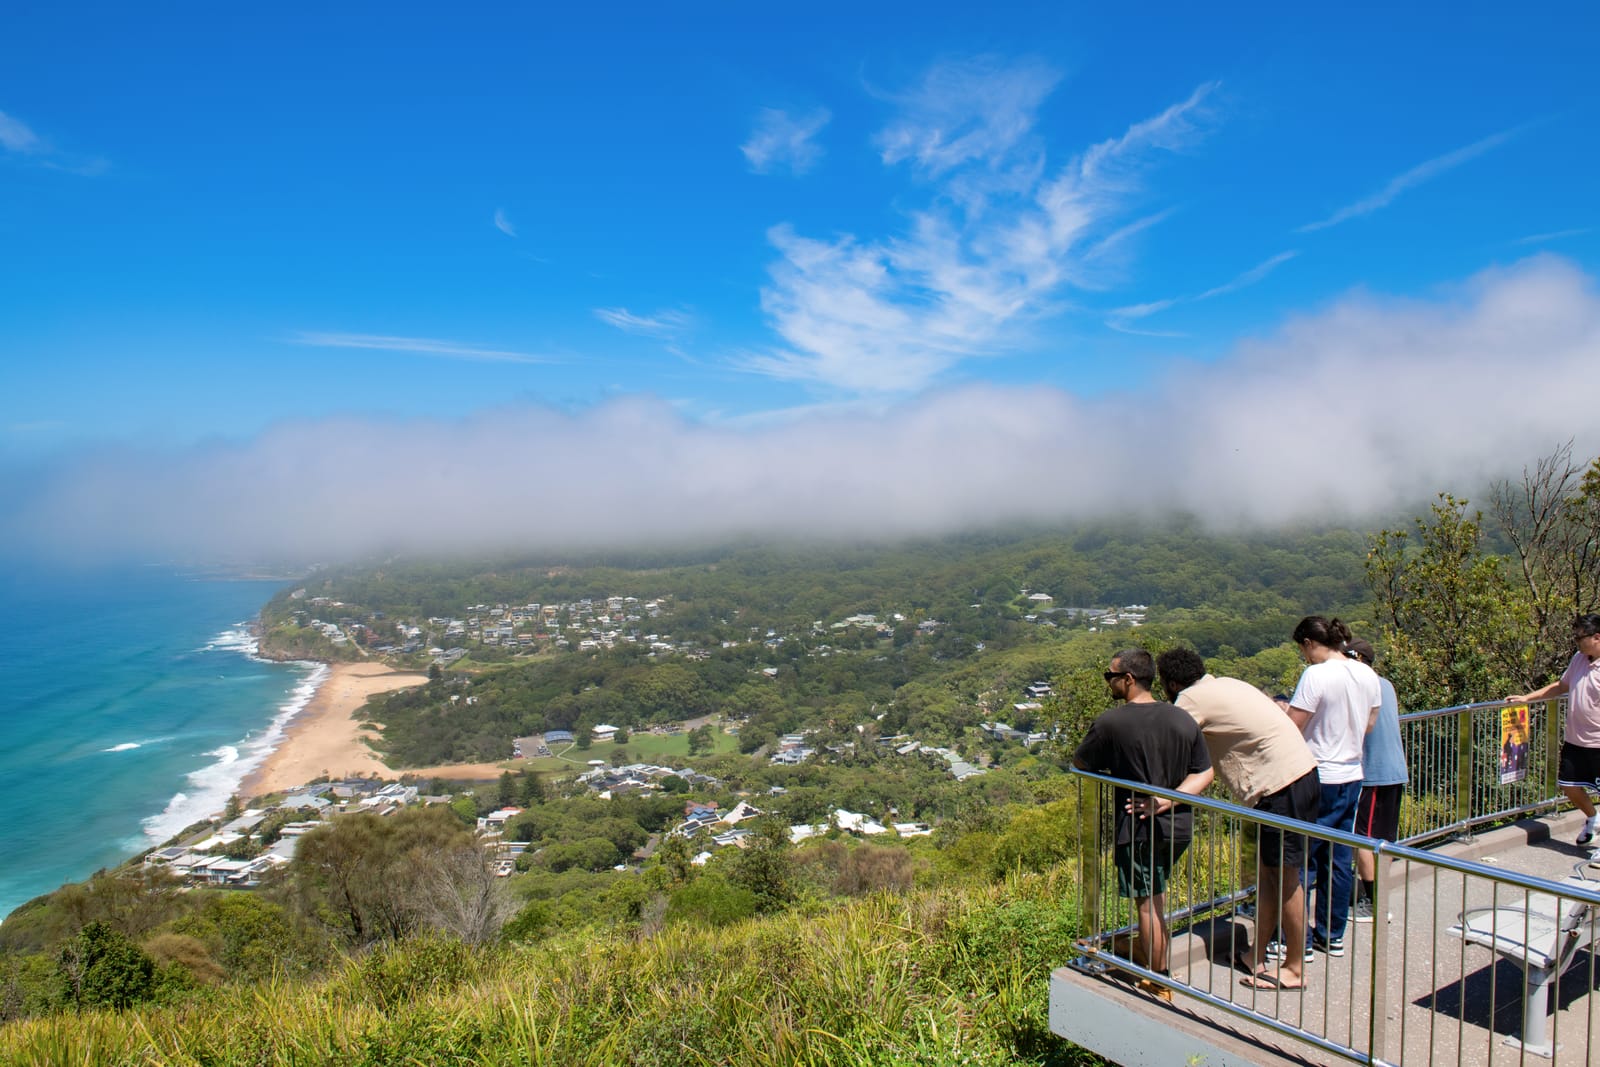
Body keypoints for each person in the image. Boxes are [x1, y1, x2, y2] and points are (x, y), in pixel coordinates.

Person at [1156, 648, 1320, 991]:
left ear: (1171, 683)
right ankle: (1255, 955)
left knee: (1286, 877)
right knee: (1268, 875)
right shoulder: (1226, 683)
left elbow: (1168, 742)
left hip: (1279, 786)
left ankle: (1294, 968)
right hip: (1298, 775)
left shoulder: (1190, 700)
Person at [1074, 649, 1214, 1001]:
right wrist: (1169, 799)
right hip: (1178, 826)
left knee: (1147, 903)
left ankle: (1158, 978)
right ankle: (1147, 955)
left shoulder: (1112, 722)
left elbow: (1081, 762)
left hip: (1138, 828)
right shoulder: (1182, 719)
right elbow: (1205, 772)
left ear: (1129, 679)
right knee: (1156, 896)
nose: (1109, 682)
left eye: (1111, 676)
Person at [1271, 616, 1379, 963]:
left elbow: (1293, 726)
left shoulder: (1315, 675)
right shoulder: (1366, 673)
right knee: (1338, 857)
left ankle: (1296, 941)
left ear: (1307, 643)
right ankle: (1331, 935)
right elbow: (1370, 723)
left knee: (1302, 859)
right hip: (1352, 772)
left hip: (1317, 774)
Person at [1508, 613, 1600, 845]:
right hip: (1575, 740)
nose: (1577, 642)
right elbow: (1561, 686)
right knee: (1568, 786)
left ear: (1597, 637)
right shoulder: (1578, 659)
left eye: (1581, 637)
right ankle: (1593, 818)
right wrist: (1526, 698)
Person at [1345, 637, 1407, 924]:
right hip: (1394, 770)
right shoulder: (1385, 684)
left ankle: (1374, 902)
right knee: (1384, 839)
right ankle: (1378, 894)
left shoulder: (1360, 685)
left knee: (1363, 838)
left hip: (1373, 772)